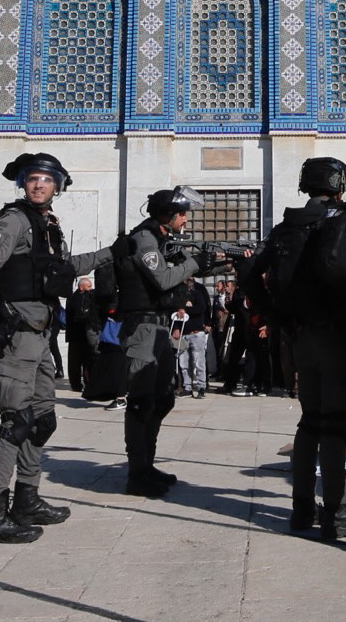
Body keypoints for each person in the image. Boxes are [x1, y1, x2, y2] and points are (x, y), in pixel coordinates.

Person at [0, 152, 112, 543]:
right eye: (32, 178)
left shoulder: (48, 227)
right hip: (15, 336)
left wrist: (114, 251)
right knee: (15, 423)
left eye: (46, 180)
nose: (38, 184)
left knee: (42, 420)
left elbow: (67, 267)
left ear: (57, 186)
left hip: (42, 336)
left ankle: (26, 500)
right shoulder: (13, 221)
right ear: (23, 183)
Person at [272, 156, 346, 543]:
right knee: (335, 426)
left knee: (308, 423)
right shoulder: (341, 220)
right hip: (334, 336)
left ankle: (302, 509)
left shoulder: (287, 226)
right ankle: (337, 511)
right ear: (337, 184)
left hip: (300, 338)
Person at [111, 186, 238, 497]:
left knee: (163, 398)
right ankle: (136, 473)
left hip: (159, 328)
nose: (186, 219)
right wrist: (196, 262)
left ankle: (147, 465)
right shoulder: (145, 239)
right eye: (182, 214)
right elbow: (164, 279)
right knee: (141, 401)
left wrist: (225, 262)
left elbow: (183, 267)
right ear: (167, 215)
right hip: (142, 327)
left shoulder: (162, 240)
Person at [174, 277, 211, 398]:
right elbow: (174, 313)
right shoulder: (178, 296)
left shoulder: (197, 293)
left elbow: (202, 308)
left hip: (196, 332)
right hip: (184, 333)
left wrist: (186, 309)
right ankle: (187, 387)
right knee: (184, 362)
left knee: (199, 361)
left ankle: (201, 387)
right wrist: (176, 327)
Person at [65, 276, 99, 392]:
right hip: (78, 334)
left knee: (82, 361)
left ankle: (80, 384)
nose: (91, 288)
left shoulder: (75, 297)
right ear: (81, 287)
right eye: (89, 286)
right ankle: (79, 384)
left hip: (78, 334)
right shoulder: (78, 298)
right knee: (78, 361)